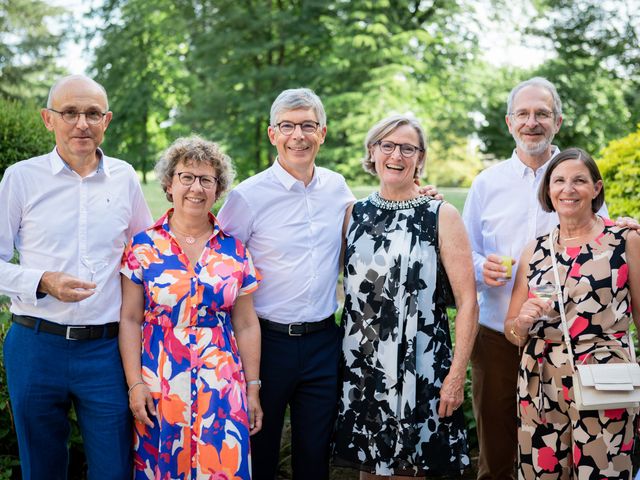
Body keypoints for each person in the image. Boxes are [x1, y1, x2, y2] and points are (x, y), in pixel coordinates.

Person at [0, 75, 153, 479]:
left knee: (113, 468)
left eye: (92, 113)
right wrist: (42, 280)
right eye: (69, 112)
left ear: (107, 120)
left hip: (104, 352)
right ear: (48, 119)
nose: (81, 123)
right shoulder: (20, 178)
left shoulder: (125, 178)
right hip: (35, 345)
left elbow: (146, 256)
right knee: (41, 469)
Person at [462, 77, 598, 480]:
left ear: (558, 120)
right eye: (523, 113)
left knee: (569, 446)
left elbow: (602, 236)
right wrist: (478, 267)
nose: (532, 122)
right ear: (509, 122)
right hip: (496, 339)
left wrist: (625, 227)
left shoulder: (575, 177)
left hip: (566, 339)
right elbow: (462, 250)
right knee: (498, 448)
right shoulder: (487, 183)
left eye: (542, 113)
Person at [216, 88, 354, 480]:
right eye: (288, 126)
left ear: (322, 133)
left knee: (314, 457)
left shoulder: (337, 187)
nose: (299, 135)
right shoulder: (247, 197)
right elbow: (219, 265)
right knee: (259, 452)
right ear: (272, 134)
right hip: (265, 342)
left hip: (323, 343)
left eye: (308, 125)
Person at [332, 114, 478, 478]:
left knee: (413, 469)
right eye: (388, 145)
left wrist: (457, 374)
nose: (396, 155)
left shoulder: (441, 214)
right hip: (364, 368)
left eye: (407, 148)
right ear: (372, 151)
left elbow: (468, 302)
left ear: (420, 157)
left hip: (423, 365)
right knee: (371, 467)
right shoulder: (354, 214)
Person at [119, 135, 262, 479]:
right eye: (186, 177)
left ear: (218, 189)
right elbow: (129, 319)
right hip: (161, 383)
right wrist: (135, 384)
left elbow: (245, 323)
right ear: (170, 184)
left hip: (222, 387)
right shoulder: (143, 247)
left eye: (206, 179)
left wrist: (252, 388)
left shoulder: (235, 250)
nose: (196, 188)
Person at [504, 147, 640, 478]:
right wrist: (522, 321)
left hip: (606, 379)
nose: (568, 189)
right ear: (548, 190)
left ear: (596, 188)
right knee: (542, 473)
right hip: (540, 383)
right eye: (559, 181)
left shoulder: (625, 240)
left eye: (579, 180)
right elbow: (512, 330)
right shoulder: (534, 250)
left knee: (604, 471)